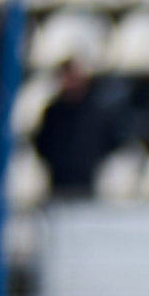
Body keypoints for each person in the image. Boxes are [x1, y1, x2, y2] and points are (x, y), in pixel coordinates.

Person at [34, 61, 125, 198]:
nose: (71, 82)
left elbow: (108, 143)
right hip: (58, 187)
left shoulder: (96, 112)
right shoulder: (53, 114)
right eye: (67, 77)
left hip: (88, 187)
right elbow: (42, 144)